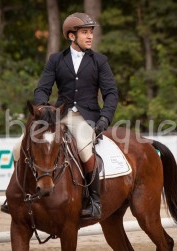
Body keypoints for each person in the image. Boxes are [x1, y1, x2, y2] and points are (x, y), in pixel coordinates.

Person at [34, 12, 118, 220]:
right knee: (21, 145)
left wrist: (104, 118)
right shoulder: (56, 60)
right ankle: (17, 196)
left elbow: (111, 94)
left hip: (86, 116)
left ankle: (94, 201)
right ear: (72, 36)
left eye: (90, 32)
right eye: (84, 32)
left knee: (82, 147)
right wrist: (43, 107)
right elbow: (42, 89)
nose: (89, 36)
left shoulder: (100, 61)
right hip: (59, 115)